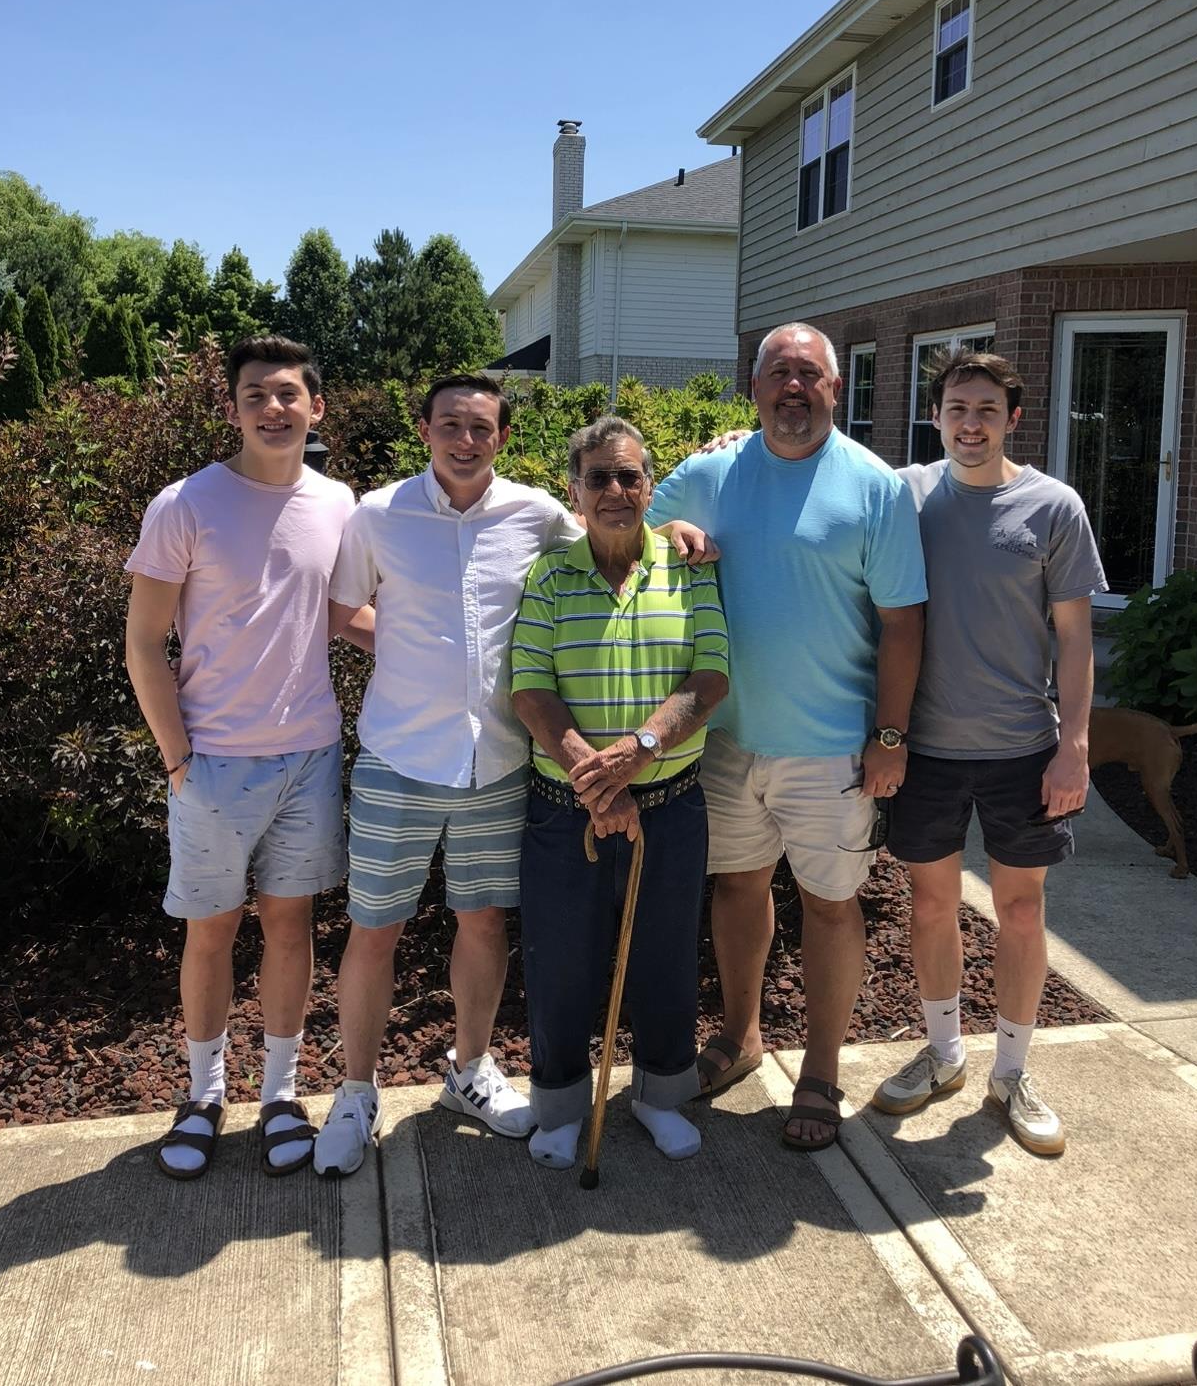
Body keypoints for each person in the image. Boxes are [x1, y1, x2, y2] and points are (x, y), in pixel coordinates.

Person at [313, 375, 714, 1176]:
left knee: (484, 923)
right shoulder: (377, 514)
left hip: (495, 762)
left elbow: (611, 535)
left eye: (482, 427)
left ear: (501, 437)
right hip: (401, 753)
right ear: (424, 427)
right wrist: (407, 654)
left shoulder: (535, 513)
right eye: (451, 424)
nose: (465, 439)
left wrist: (672, 523)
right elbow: (339, 607)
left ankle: (469, 1070)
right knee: (374, 929)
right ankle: (356, 1092)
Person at [648, 323, 928, 1150]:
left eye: (810, 373)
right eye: (779, 372)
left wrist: (889, 734)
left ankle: (821, 1070)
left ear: (836, 390)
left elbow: (904, 624)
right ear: (755, 386)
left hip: (832, 746)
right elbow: (624, 529)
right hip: (727, 739)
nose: (794, 386)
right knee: (736, 890)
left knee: (830, 905)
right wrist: (671, 534)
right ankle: (740, 1038)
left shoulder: (874, 488)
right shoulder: (711, 470)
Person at [125, 335, 367, 1179]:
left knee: (290, 924)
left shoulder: (340, 503)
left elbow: (341, 616)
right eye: (256, 393)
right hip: (214, 764)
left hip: (310, 754)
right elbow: (144, 645)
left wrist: (439, 648)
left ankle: (279, 1093)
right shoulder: (184, 503)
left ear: (316, 408)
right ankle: (201, 1096)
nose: (274, 407)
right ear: (232, 408)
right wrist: (176, 758)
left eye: (289, 393)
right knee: (211, 930)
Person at [871, 347, 1106, 1157]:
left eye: (986, 410)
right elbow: (825, 482)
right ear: (936, 416)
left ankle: (1011, 1071)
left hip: (1021, 751)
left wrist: (1073, 746)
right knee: (932, 906)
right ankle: (943, 1054)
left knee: (1020, 910)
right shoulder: (905, 495)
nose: (970, 424)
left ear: (1013, 418)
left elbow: (1075, 640)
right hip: (927, 749)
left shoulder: (1053, 507)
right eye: (956, 409)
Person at [510, 416, 729, 1170]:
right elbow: (531, 689)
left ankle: (661, 1098)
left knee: (666, 958)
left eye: (629, 476)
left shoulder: (689, 567)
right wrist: (594, 779)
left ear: (648, 487)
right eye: (598, 477)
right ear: (573, 491)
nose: (614, 490)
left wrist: (641, 750)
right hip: (564, 812)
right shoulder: (548, 573)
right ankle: (561, 1106)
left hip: (669, 805)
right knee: (560, 961)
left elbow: (710, 677)